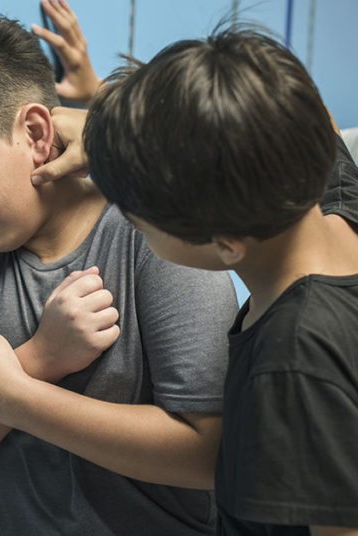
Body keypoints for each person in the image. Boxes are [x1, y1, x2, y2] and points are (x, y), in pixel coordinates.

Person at [0, 6, 239, 535]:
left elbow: (209, 455)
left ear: (37, 132)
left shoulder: (151, 233)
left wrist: (14, 396)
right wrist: (39, 360)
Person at [82, 27, 358, 536]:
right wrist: (107, 110)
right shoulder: (335, 202)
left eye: (138, 222)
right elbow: (314, 115)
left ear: (227, 243)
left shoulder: (293, 362)